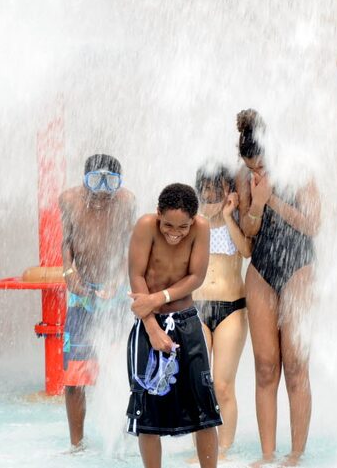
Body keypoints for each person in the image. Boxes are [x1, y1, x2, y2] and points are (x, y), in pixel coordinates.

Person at [234, 109, 321, 467]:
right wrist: (255, 201)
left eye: (261, 168)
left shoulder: (300, 171)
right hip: (262, 270)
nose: (257, 174)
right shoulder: (244, 177)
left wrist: (271, 199)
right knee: (266, 366)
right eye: (251, 168)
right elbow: (250, 235)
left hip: (299, 266)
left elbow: (313, 225)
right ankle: (267, 455)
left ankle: (295, 454)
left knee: (296, 364)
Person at [125, 183, 221, 468]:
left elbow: (196, 276)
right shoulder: (145, 226)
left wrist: (159, 297)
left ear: (193, 220)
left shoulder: (202, 228)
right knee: (147, 413)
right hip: (148, 324)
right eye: (168, 225)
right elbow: (136, 274)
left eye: (183, 227)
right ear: (158, 214)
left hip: (187, 322)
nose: (175, 233)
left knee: (205, 409)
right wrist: (152, 328)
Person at [59, 153, 136, 451]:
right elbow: (67, 241)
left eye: (110, 183)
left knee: (123, 371)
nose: (102, 191)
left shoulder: (126, 201)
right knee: (74, 376)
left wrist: (119, 277)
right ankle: (76, 445)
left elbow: (130, 244)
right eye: (95, 181)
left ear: (119, 184)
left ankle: (123, 438)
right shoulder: (69, 200)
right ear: (84, 181)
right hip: (82, 298)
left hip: (115, 296)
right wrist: (69, 272)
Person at [192, 164, 251, 459]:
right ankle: (203, 451)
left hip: (232, 309)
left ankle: (224, 449)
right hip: (197, 309)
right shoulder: (192, 222)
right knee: (199, 386)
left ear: (229, 193)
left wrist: (228, 216)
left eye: (218, 192)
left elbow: (247, 250)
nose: (212, 199)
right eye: (207, 193)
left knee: (223, 385)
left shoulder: (236, 219)